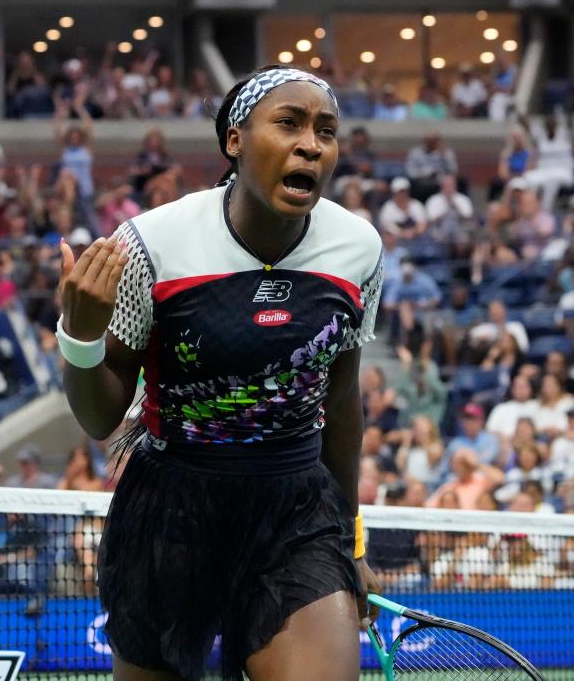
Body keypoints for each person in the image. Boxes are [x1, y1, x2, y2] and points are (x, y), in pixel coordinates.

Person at [56, 65, 382, 681]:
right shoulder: (151, 244)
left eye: (326, 130)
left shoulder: (358, 247)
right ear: (234, 140)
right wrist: (81, 334)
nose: (310, 143)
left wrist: (351, 540)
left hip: (295, 509)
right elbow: (100, 416)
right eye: (288, 123)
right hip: (171, 511)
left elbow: (341, 407)